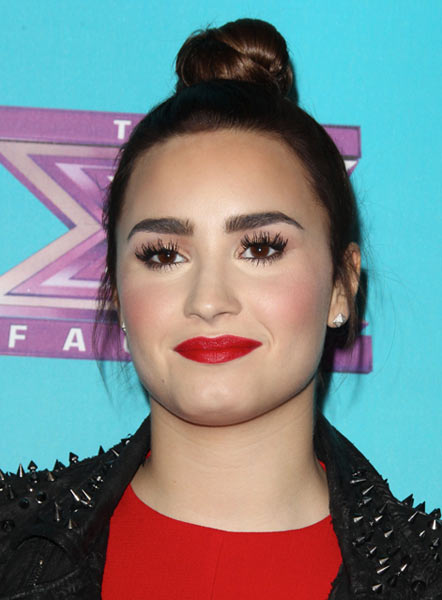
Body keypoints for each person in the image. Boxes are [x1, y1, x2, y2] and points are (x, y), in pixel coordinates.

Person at [0, 18, 440, 600]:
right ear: (118, 292)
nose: (208, 300)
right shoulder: (13, 545)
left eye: (260, 248)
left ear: (342, 284)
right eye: (163, 254)